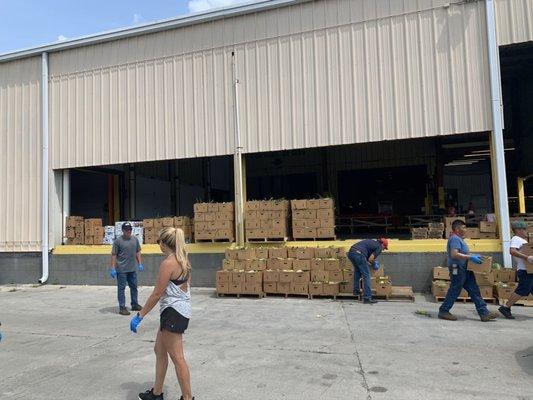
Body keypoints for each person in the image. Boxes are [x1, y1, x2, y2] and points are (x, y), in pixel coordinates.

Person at [130, 227, 194, 400]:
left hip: (173, 312)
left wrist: (139, 315)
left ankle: (187, 397)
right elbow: (185, 286)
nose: (158, 244)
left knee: (177, 357)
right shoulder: (183, 260)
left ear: (165, 243)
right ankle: (157, 394)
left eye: (159, 241)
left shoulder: (168, 263)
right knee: (159, 349)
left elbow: (157, 293)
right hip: (177, 310)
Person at [438, 219, 498, 322]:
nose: (466, 229)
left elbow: (462, 253)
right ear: (457, 229)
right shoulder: (455, 239)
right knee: (455, 289)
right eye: (464, 227)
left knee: (474, 290)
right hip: (457, 268)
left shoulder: (460, 239)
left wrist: (473, 256)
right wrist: (471, 257)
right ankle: (443, 311)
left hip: (465, 269)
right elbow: (454, 254)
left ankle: (484, 313)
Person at [499, 220, 533, 319]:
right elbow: (512, 251)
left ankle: (506, 307)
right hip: (524, 270)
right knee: (522, 290)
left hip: (528, 270)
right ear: (518, 230)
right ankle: (505, 307)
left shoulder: (523, 240)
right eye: (524, 229)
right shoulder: (516, 238)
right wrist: (527, 257)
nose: (526, 231)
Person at [110, 222, 144, 316]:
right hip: (121, 270)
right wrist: (113, 268)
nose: (128, 231)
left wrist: (140, 263)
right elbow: (114, 255)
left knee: (134, 287)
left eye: (130, 229)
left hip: (132, 269)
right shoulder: (118, 241)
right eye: (126, 230)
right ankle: (122, 307)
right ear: (123, 230)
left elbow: (138, 252)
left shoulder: (135, 239)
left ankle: (134, 304)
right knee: (121, 288)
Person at [347, 238, 388, 304]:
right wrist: (374, 264)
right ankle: (367, 297)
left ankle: (356, 291)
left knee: (357, 272)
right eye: (384, 247)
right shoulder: (379, 247)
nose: (383, 249)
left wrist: (370, 261)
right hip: (359, 254)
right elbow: (371, 259)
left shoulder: (372, 242)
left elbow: (367, 256)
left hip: (351, 252)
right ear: (382, 244)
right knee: (367, 275)